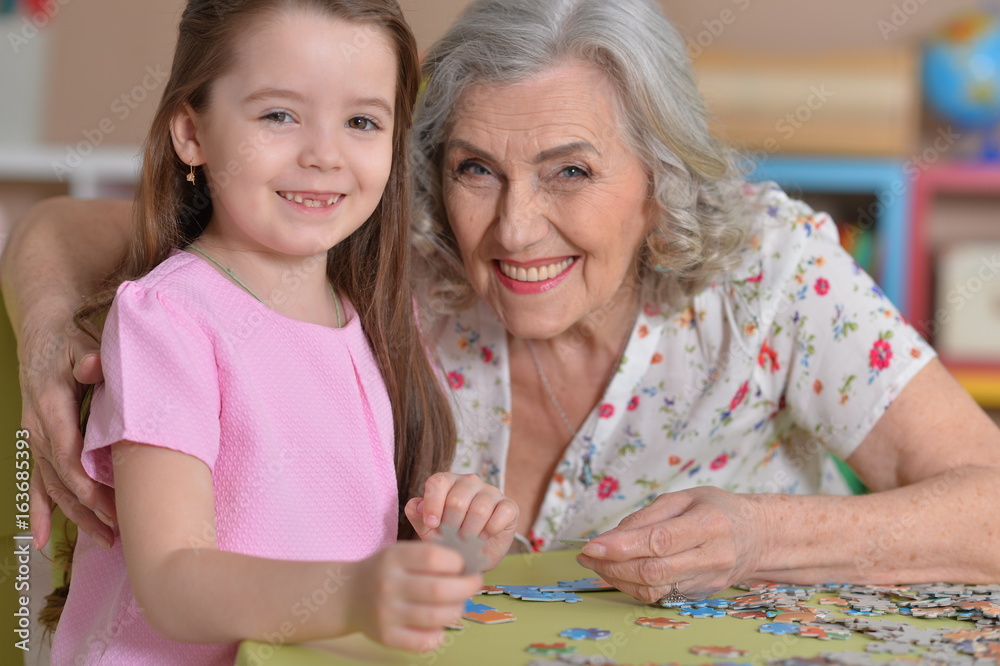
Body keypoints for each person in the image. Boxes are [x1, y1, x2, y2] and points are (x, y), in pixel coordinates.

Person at [5, 0, 1000, 611]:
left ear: (658, 175)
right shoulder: (394, 251)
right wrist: (52, 336)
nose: (516, 229)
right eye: (476, 169)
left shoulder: (771, 272)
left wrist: (763, 538)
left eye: (569, 171)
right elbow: (68, 228)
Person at [32, 0, 518, 663]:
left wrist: (446, 552)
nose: (324, 154)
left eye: (361, 121)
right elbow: (171, 582)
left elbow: (337, 556)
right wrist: (354, 593)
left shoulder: (370, 316)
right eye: (279, 115)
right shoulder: (168, 319)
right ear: (191, 134)